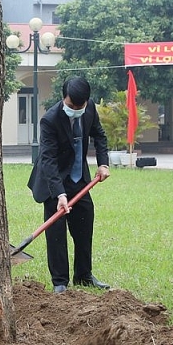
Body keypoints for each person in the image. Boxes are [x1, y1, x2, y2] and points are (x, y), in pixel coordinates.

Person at [28, 76, 111, 293]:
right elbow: (47, 160)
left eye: (79, 106)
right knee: (56, 234)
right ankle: (60, 282)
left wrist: (103, 164)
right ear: (63, 98)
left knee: (84, 226)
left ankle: (83, 275)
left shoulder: (89, 108)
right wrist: (60, 195)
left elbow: (99, 135)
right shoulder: (50, 120)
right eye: (71, 105)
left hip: (79, 179)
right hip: (52, 182)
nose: (75, 109)